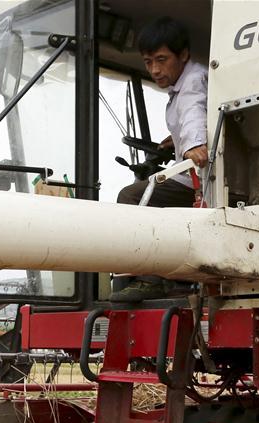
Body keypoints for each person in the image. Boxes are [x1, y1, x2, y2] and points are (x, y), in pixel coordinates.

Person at [111, 16, 208, 303]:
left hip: (202, 179)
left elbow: (195, 111)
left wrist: (193, 144)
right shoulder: (179, 86)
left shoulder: (192, 80)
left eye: (161, 59)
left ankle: (149, 280)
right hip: (193, 172)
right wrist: (174, 142)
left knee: (130, 196)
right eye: (148, 61)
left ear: (184, 55)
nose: (154, 69)